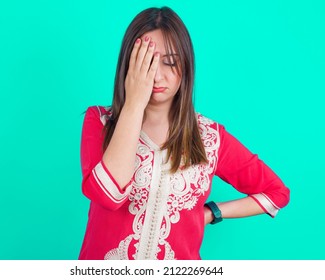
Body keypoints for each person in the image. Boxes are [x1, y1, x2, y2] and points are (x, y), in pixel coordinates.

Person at [78, 6, 290, 260]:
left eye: (169, 62)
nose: (156, 75)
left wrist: (213, 212)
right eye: (146, 63)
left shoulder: (210, 138)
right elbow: (109, 195)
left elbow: (276, 193)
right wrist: (134, 102)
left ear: (186, 66)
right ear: (128, 65)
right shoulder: (100, 121)